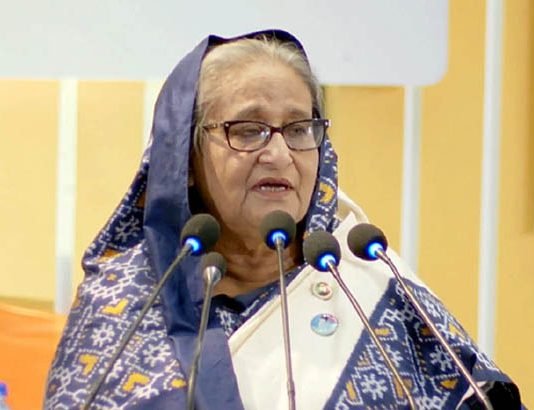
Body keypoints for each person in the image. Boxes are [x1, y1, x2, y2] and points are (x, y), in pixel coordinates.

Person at [44, 30, 521, 409]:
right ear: (185, 158)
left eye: (298, 129)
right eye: (247, 130)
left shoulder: (370, 286)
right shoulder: (124, 307)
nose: (278, 153)